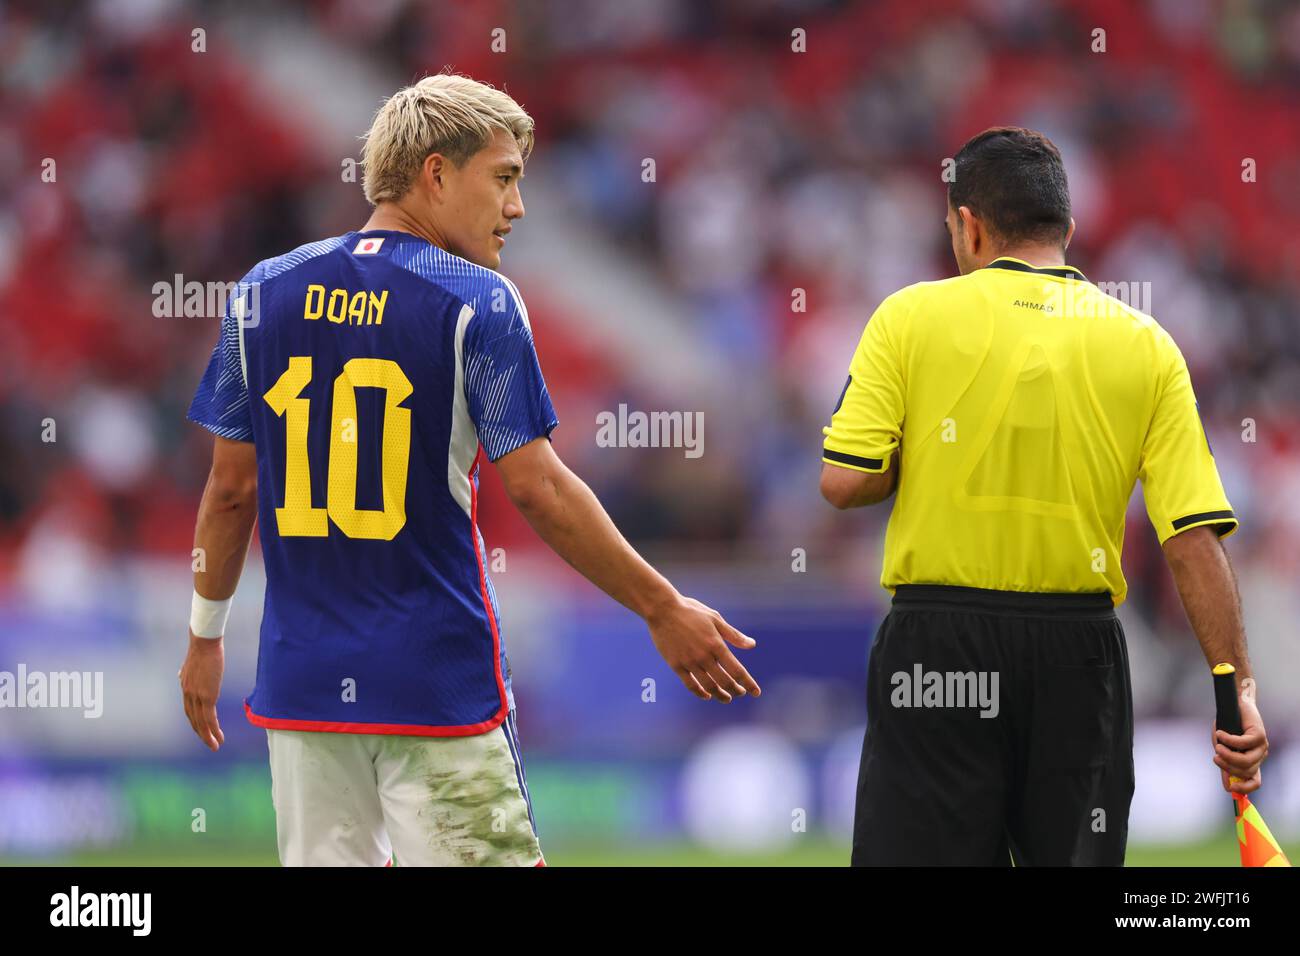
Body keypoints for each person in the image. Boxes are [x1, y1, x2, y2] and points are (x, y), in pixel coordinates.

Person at [179, 73, 760, 867]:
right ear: (437, 175)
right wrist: (660, 607)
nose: (516, 208)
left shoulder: (260, 293)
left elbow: (230, 489)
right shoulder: (476, 300)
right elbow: (540, 488)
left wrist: (205, 636)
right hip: (435, 683)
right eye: (505, 177)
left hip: (303, 683)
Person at [820, 126, 1268, 866]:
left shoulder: (908, 317)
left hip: (940, 646)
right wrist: (1238, 686)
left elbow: (844, 481)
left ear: (969, 224)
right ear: (1065, 226)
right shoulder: (1146, 345)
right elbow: (1192, 539)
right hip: (1078, 654)